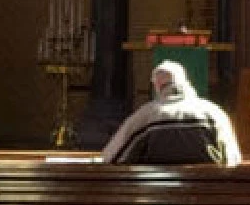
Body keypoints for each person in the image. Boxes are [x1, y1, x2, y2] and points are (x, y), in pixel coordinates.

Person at [99, 61, 242, 166]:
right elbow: (232, 159)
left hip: (155, 199)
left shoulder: (146, 116)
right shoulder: (214, 113)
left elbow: (113, 157)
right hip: (206, 197)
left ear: (157, 86)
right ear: (186, 82)